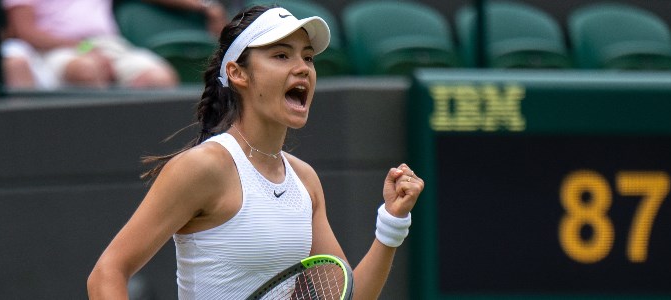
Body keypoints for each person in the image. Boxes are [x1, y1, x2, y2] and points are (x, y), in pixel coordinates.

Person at [87, 5, 424, 299]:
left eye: (307, 57)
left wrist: (392, 224)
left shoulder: (305, 180)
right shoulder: (205, 167)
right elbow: (107, 273)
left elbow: (346, 296)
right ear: (238, 73)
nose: (303, 67)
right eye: (281, 55)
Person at [3, 0, 226, 89]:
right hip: (52, 50)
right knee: (86, 71)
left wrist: (205, 6)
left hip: (109, 45)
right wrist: (83, 49)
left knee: (158, 78)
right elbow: (25, 31)